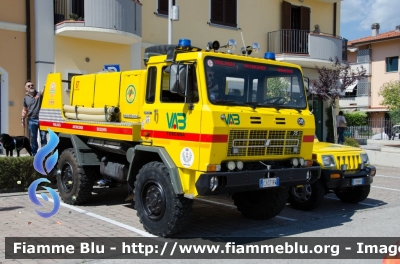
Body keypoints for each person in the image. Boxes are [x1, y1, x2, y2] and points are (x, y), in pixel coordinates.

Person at [21, 80, 47, 156]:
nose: (31, 87)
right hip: (31, 120)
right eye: (28, 86)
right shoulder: (25, 98)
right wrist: (22, 119)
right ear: (26, 88)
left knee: (43, 137)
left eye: (32, 85)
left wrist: (47, 83)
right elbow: (24, 110)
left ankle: (44, 155)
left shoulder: (39, 94)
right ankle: (34, 155)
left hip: (41, 119)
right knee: (33, 138)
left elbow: (44, 90)